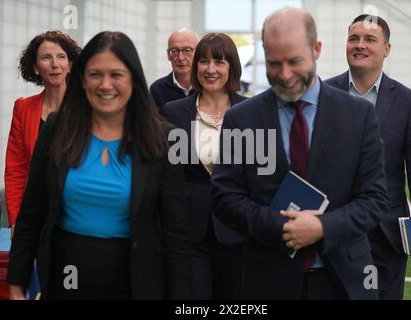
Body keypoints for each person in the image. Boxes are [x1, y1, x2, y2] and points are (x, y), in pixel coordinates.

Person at [211, 8, 389, 299]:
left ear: (316, 49)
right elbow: (225, 196)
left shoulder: (359, 116)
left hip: (343, 280)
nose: (285, 75)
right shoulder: (241, 119)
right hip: (268, 277)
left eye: (295, 61)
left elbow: (375, 199)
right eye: (273, 63)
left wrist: (322, 227)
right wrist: (281, 227)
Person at [7, 31, 191, 300]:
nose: (105, 85)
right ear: (81, 79)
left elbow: (176, 237)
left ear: (133, 80)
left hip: (136, 282)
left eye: (116, 74)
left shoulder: (164, 139)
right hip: (66, 280)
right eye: (95, 74)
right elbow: (32, 213)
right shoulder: (58, 128)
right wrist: (16, 284)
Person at [325, 14, 411, 300]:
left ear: (386, 49)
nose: (360, 45)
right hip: (333, 231)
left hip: (387, 234)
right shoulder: (323, 93)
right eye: (354, 38)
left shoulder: (408, 101)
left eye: (370, 39)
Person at [162, 32, 247, 299]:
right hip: (189, 233)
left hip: (238, 231)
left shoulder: (251, 113)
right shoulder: (173, 112)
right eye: (204, 62)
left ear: (231, 67)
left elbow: (260, 176)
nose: (210, 69)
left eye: (219, 62)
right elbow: (167, 175)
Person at [5, 31, 80, 236]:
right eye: (46, 57)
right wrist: (16, 220)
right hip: (36, 213)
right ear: (36, 67)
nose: (55, 64)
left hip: (78, 214)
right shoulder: (23, 108)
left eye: (61, 57)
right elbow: (16, 170)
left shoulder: (87, 109)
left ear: (71, 65)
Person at [150, 28, 199, 108]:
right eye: (174, 51)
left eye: (187, 50)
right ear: (168, 55)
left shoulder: (206, 87)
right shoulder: (157, 89)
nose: (180, 58)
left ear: (198, 53)